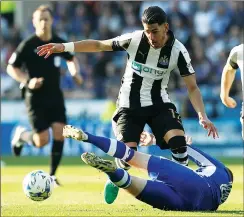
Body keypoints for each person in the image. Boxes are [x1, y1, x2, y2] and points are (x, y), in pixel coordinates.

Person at [37, 6, 218, 203]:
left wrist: (202, 115)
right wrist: (65, 47)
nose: (150, 36)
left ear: (166, 27)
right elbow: (99, 45)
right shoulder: (134, 39)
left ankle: (181, 190)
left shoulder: (178, 51)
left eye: (154, 31)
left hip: (159, 103)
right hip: (129, 106)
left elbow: (192, 87)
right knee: (127, 156)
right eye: (147, 31)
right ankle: (115, 177)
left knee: (179, 144)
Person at [62, 125, 233, 211]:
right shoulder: (217, 200)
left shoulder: (219, 170)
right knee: (131, 184)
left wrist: (154, 140)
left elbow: (184, 147)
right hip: (191, 204)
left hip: (193, 182)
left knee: (131, 156)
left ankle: (86, 137)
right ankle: (112, 172)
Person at [6, 5, 82, 185]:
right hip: (35, 97)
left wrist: (75, 73)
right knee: (42, 141)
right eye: (40, 19)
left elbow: (71, 58)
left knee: (59, 132)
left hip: (55, 96)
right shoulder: (28, 45)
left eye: (46, 19)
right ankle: (23, 136)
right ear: (34, 22)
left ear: (51, 21)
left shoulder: (58, 42)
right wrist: (27, 81)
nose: (43, 22)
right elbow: (11, 67)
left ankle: (52, 175)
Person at [220, 44, 244, 140]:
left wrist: (224, 95)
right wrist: (224, 95)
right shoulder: (239, 51)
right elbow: (229, 69)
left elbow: (229, 69)